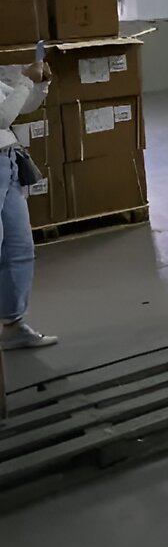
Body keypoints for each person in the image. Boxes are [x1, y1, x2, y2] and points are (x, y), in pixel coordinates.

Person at [0, 57, 56, 351]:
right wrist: (26, 79)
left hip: (8, 162)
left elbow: (18, 106)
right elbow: (1, 117)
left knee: (19, 248)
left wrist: (41, 84)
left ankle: (12, 325)